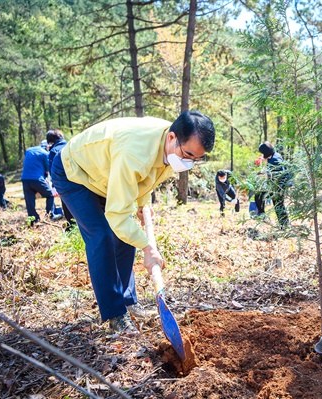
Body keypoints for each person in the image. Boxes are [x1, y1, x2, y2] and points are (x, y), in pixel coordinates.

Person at [50, 111, 215, 335]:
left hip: (105, 176)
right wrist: (148, 248)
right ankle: (115, 315)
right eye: (188, 155)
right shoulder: (134, 152)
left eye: (196, 159)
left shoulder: (173, 144)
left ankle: (128, 302)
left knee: (125, 236)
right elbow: (117, 214)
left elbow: (145, 177)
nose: (189, 163)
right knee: (102, 236)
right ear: (172, 138)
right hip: (75, 172)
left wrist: (142, 203)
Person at [21, 141, 61, 226]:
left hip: (25, 179)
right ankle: (50, 215)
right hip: (37, 179)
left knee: (29, 200)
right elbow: (47, 170)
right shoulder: (45, 153)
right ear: (47, 147)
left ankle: (33, 219)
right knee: (50, 195)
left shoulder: (29, 151)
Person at [254, 141, 291, 228]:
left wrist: (264, 175)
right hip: (276, 185)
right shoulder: (275, 155)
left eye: (263, 153)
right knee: (261, 197)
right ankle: (284, 224)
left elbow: (278, 175)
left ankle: (284, 225)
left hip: (279, 186)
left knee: (277, 204)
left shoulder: (275, 160)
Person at [46, 128, 76, 230]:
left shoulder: (54, 151)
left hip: (65, 184)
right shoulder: (72, 145)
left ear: (50, 142)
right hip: (80, 180)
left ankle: (73, 228)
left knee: (68, 207)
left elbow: (53, 172)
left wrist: (54, 186)